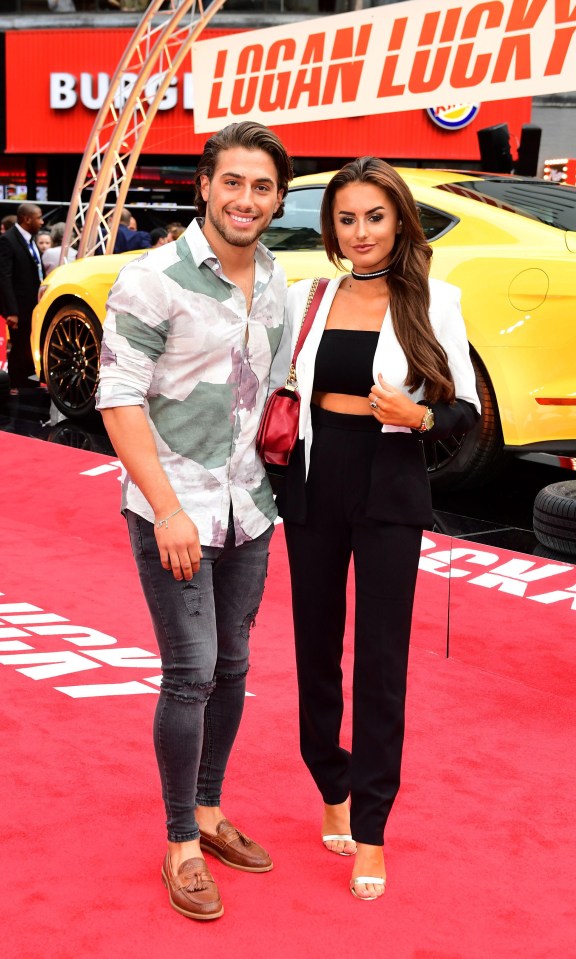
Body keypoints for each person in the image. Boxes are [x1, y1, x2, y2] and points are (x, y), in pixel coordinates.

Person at [96, 121, 293, 921]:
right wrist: (170, 509)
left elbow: (278, 388)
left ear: (278, 198)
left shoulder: (278, 278)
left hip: (250, 508)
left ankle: (210, 810)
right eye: (233, 182)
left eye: (262, 186)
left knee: (236, 666)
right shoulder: (154, 280)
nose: (246, 199)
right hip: (172, 509)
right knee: (192, 670)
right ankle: (181, 840)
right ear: (205, 186)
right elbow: (118, 398)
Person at [276, 157, 480, 902]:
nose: (360, 232)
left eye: (374, 216)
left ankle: (371, 826)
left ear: (399, 219)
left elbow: (467, 413)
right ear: (332, 226)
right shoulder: (310, 295)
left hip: (391, 483)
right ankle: (328, 778)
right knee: (315, 647)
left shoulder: (435, 299)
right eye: (347, 218)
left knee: (381, 663)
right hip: (315, 480)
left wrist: (420, 415)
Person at [0, 202, 45, 394]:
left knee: (29, 346)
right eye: (39, 217)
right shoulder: (7, 240)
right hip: (18, 306)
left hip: (33, 305)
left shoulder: (31, 240)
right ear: (27, 219)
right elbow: (4, 277)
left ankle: (29, 384)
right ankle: (15, 385)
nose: (42, 221)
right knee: (19, 346)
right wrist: (12, 311)